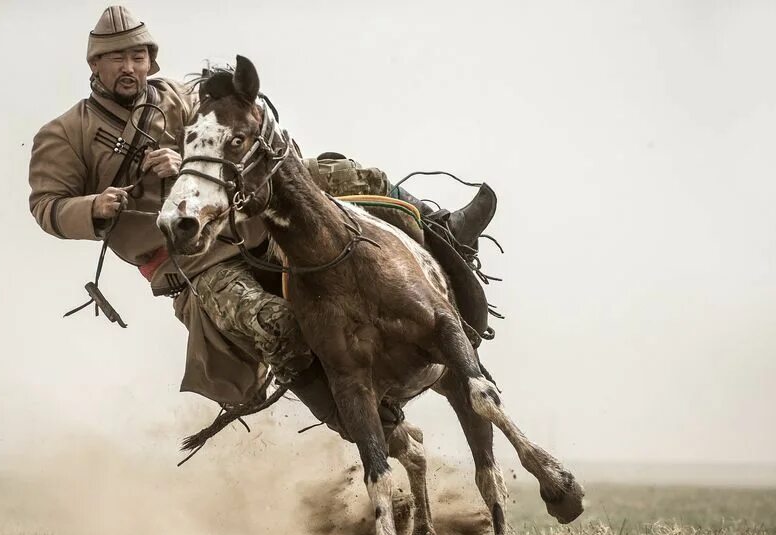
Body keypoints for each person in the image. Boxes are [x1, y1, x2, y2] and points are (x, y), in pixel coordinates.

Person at [29, 6, 495, 435]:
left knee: (353, 173)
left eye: (137, 55)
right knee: (275, 325)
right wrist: (95, 206)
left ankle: (442, 229)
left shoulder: (180, 98)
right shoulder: (65, 133)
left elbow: (233, 133)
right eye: (114, 58)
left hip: (247, 215)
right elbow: (46, 206)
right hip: (192, 266)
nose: (128, 67)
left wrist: (196, 156)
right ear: (95, 65)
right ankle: (361, 420)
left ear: (151, 60)